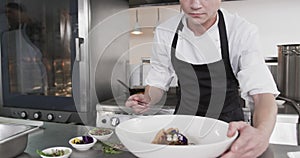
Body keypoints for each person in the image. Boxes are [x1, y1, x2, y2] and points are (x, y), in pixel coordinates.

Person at [126, 0, 279, 157]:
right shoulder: (166, 31)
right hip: (182, 130)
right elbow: (159, 77)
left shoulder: (240, 31)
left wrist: (262, 133)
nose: (195, 5)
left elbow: (262, 93)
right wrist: (147, 98)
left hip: (226, 133)